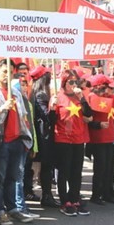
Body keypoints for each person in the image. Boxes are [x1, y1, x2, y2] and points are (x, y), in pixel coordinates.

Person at [0, 59, 34, 225]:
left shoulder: (16, 92)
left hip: (17, 140)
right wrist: (3, 108)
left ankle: (12, 209)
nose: (7, 76)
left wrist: (27, 138)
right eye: (4, 72)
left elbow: (24, 116)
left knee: (13, 177)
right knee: (0, 177)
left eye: (10, 72)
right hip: (0, 139)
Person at [49, 70, 93, 217]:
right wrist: (52, 108)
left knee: (76, 171)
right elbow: (51, 122)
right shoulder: (57, 97)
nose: (74, 85)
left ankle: (74, 199)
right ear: (64, 83)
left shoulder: (79, 97)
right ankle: (64, 201)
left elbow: (88, 114)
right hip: (63, 139)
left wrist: (82, 98)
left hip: (78, 139)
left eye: (76, 82)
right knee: (64, 171)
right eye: (71, 82)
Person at [86, 74, 114, 206]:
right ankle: (96, 194)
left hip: (110, 136)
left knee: (110, 167)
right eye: (106, 87)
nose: (108, 90)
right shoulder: (91, 98)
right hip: (97, 138)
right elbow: (86, 119)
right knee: (100, 167)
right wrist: (97, 125)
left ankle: (108, 192)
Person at [28, 65, 59, 208]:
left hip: (42, 134)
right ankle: (47, 195)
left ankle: (47, 194)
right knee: (46, 166)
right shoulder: (41, 95)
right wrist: (53, 107)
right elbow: (47, 116)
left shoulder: (35, 92)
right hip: (43, 135)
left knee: (45, 166)